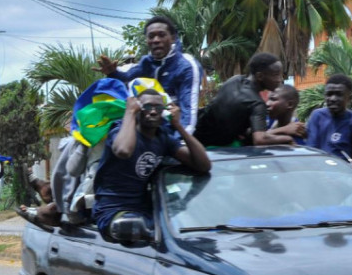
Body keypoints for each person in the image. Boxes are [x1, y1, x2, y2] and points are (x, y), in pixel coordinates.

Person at [91, 89, 210, 240]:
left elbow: (203, 165)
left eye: (158, 108)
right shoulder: (120, 130)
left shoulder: (163, 138)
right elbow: (123, 151)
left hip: (145, 210)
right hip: (114, 212)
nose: (153, 112)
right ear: (138, 109)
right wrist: (129, 112)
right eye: (147, 107)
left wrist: (178, 126)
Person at [95, 16, 202, 133]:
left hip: (171, 131)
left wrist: (180, 142)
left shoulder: (186, 65)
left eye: (161, 35)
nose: (156, 40)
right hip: (144, 127)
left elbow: (189, 111)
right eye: (151, 36)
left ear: (172, 38)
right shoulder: (146, 62)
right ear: (147, 40)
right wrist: (112, 73)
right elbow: (126, 80)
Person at [193, 53, 296, 147]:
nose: (280, 79)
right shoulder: (257, 104)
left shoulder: (234, 80)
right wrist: (288, 138)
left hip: (195, 138)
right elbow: (259, 140)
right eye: (276, 75)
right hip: (214, 150)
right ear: (260, 76)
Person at [305, 74, 352, 176]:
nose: (332, 98)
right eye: (329, 94)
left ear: (349, 97)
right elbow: (310, 152)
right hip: (316, 179)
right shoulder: (317, 117)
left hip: (343, 184)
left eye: (339, 94)